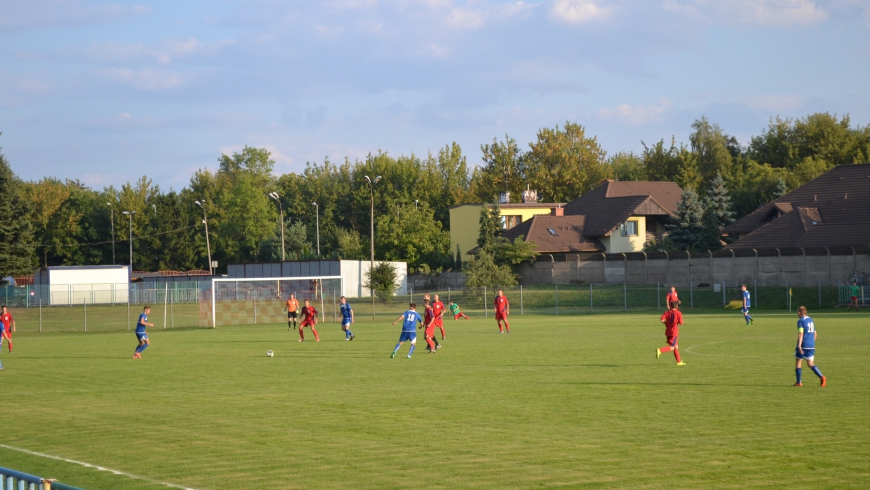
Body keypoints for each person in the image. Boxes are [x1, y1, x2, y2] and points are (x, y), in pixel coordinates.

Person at [794, 306, 826, 387]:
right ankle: (821, 377)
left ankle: (799, 382)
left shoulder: (801, 321)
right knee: (810, 363)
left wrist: (799, 345)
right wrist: (811, 342)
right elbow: (815, 333)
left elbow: (801, 334)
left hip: (803, 344)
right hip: (811, 345)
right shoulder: (811, 320)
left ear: (799, 312)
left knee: (798, 361)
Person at [656, 300, 686, 366]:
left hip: (668, 332)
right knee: (672, 347)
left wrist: (666, 323)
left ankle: (679, 362)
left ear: (670, 306)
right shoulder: (678, 313)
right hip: (674, 332)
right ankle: (660, 350)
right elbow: (681, 323)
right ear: (677, 306)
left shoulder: (667, 312)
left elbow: (661, 319)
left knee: (676, 347)